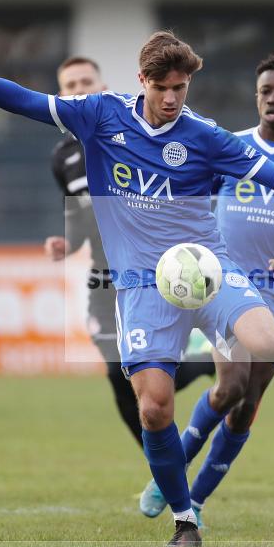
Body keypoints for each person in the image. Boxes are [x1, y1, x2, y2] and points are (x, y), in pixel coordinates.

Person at [0, 30, 274, 547]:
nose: (173, 99)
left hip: (208, 266)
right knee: (153, 408)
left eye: (182, 88)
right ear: (142, 80)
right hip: (142, 284)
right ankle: (184, 520)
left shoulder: (204, 135)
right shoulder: (100, 114)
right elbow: (28, 102)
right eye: (164, 87)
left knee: (264, 344)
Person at [138, 55, 274, 527]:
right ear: (257, 96)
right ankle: (170, 476)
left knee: (247, 405)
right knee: (229, 387)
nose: (273, 98)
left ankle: (199, 501)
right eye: (265, 90)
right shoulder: (229, 147)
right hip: (228, 287)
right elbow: (192, 197)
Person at [42, 56, 213, 449]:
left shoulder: (129, 137)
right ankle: (161, 467)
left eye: (87, 81)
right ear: (61, 95)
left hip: (150, 273)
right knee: (116, 374)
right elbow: (84, 215)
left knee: (150, 370)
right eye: (70, 85)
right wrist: (68, 241)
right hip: (103, 277)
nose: (79, 89)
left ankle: (204, 366)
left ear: (103, 89)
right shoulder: (62, 158)